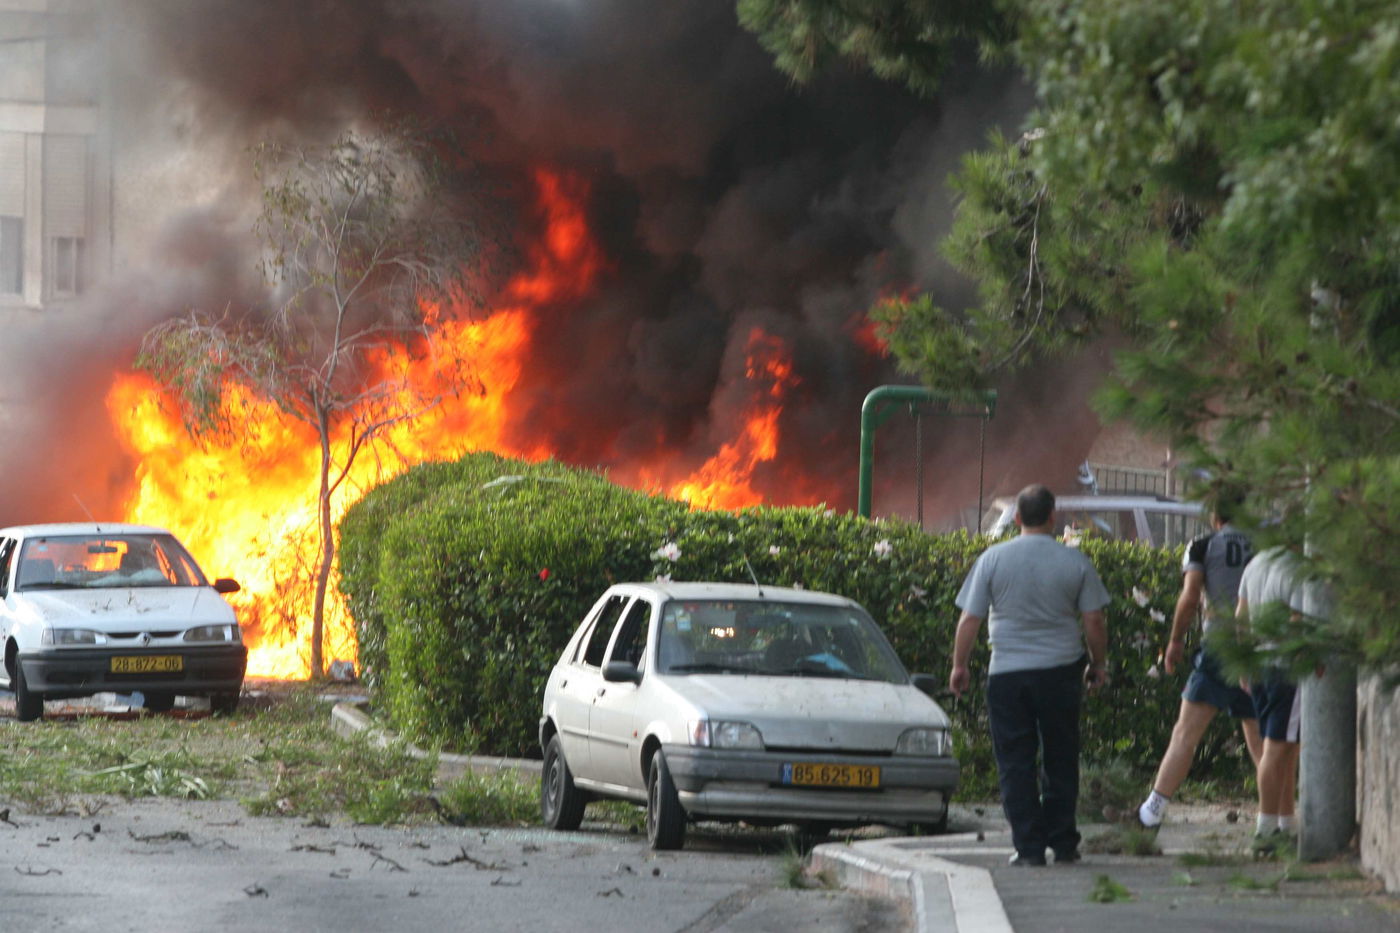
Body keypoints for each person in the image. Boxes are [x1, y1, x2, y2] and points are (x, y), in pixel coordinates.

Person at [949, 484, 1110, 867]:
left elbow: (970, 618)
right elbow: (1094, 619)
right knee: (1060, 756)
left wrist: (960, 665)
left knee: (1015, 761)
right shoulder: (1076, 563)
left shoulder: (992, 559)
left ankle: (1029, 847)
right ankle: (1063, 841)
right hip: (1060, 672)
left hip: (1007, 673)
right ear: (1053, 517)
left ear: (1017, 518)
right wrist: (1097, 664)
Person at [1136, 492, 1261, 830]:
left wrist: (1176, 640)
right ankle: (1275, 818)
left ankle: (1152, 812)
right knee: (1260, 740)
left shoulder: (1202, 546)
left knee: (1186, 733)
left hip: (1219, 646)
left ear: (1214, 515)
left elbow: (1191, 595)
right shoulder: (1264, 546)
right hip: (1256, 649)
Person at [1235, 546, 1307, 855]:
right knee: (1277, 749)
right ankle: (1265, 831)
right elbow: (1297, 620)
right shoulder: (1297, 568)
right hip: (1286, 667)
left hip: (1260, 665)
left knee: (1286, 747)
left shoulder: (1256, 563)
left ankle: (1286, 823)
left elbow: (1241, 615)